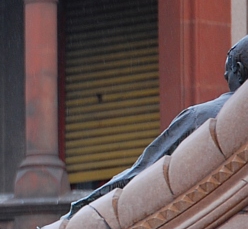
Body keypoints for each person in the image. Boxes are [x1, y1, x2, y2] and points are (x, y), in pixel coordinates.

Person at [67, 34, 248, 218]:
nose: (225, 75)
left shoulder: (201, 116)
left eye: (229, 70)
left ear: (239, 70)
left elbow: (142, 170)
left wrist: (82, 207)